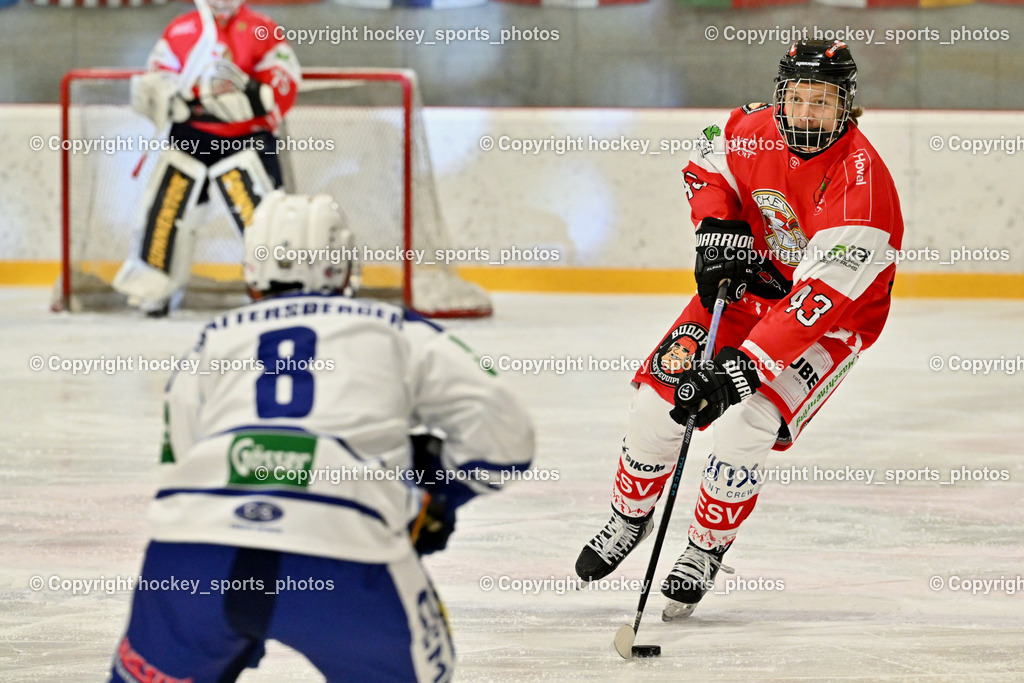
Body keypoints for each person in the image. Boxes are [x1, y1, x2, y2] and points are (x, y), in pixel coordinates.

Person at [110, 191, 535, 682]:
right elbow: (508, 436)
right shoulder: (395, 329)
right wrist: (431, 495)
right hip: (346, 553)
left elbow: (181, 465)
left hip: (190, 561)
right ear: (342, 264)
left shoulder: (211, 341)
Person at [575, 40, 904, 620]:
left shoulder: (863, 190)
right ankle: (630, 515)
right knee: (659, 405)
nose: (805, 114)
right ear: (780, 97)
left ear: (847, 107)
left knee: (745, 428)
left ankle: (705, 548)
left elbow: (817, 303)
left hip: (829, 326)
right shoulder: (752, 129)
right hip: (747, 292)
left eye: (822, 102)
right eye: (797, 99)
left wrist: (740, 372)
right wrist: (716, 230)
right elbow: (707, 164)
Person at [113, 0, 302, 317]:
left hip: (247, 138)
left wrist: (250, 94)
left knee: (264, 215)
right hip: (191, 137)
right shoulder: (181, 28)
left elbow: (283, 82)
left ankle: (274, 283)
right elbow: (156, 78)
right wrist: (169, 97)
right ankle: (154, 287)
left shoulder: (263, 27)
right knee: (167, 212)